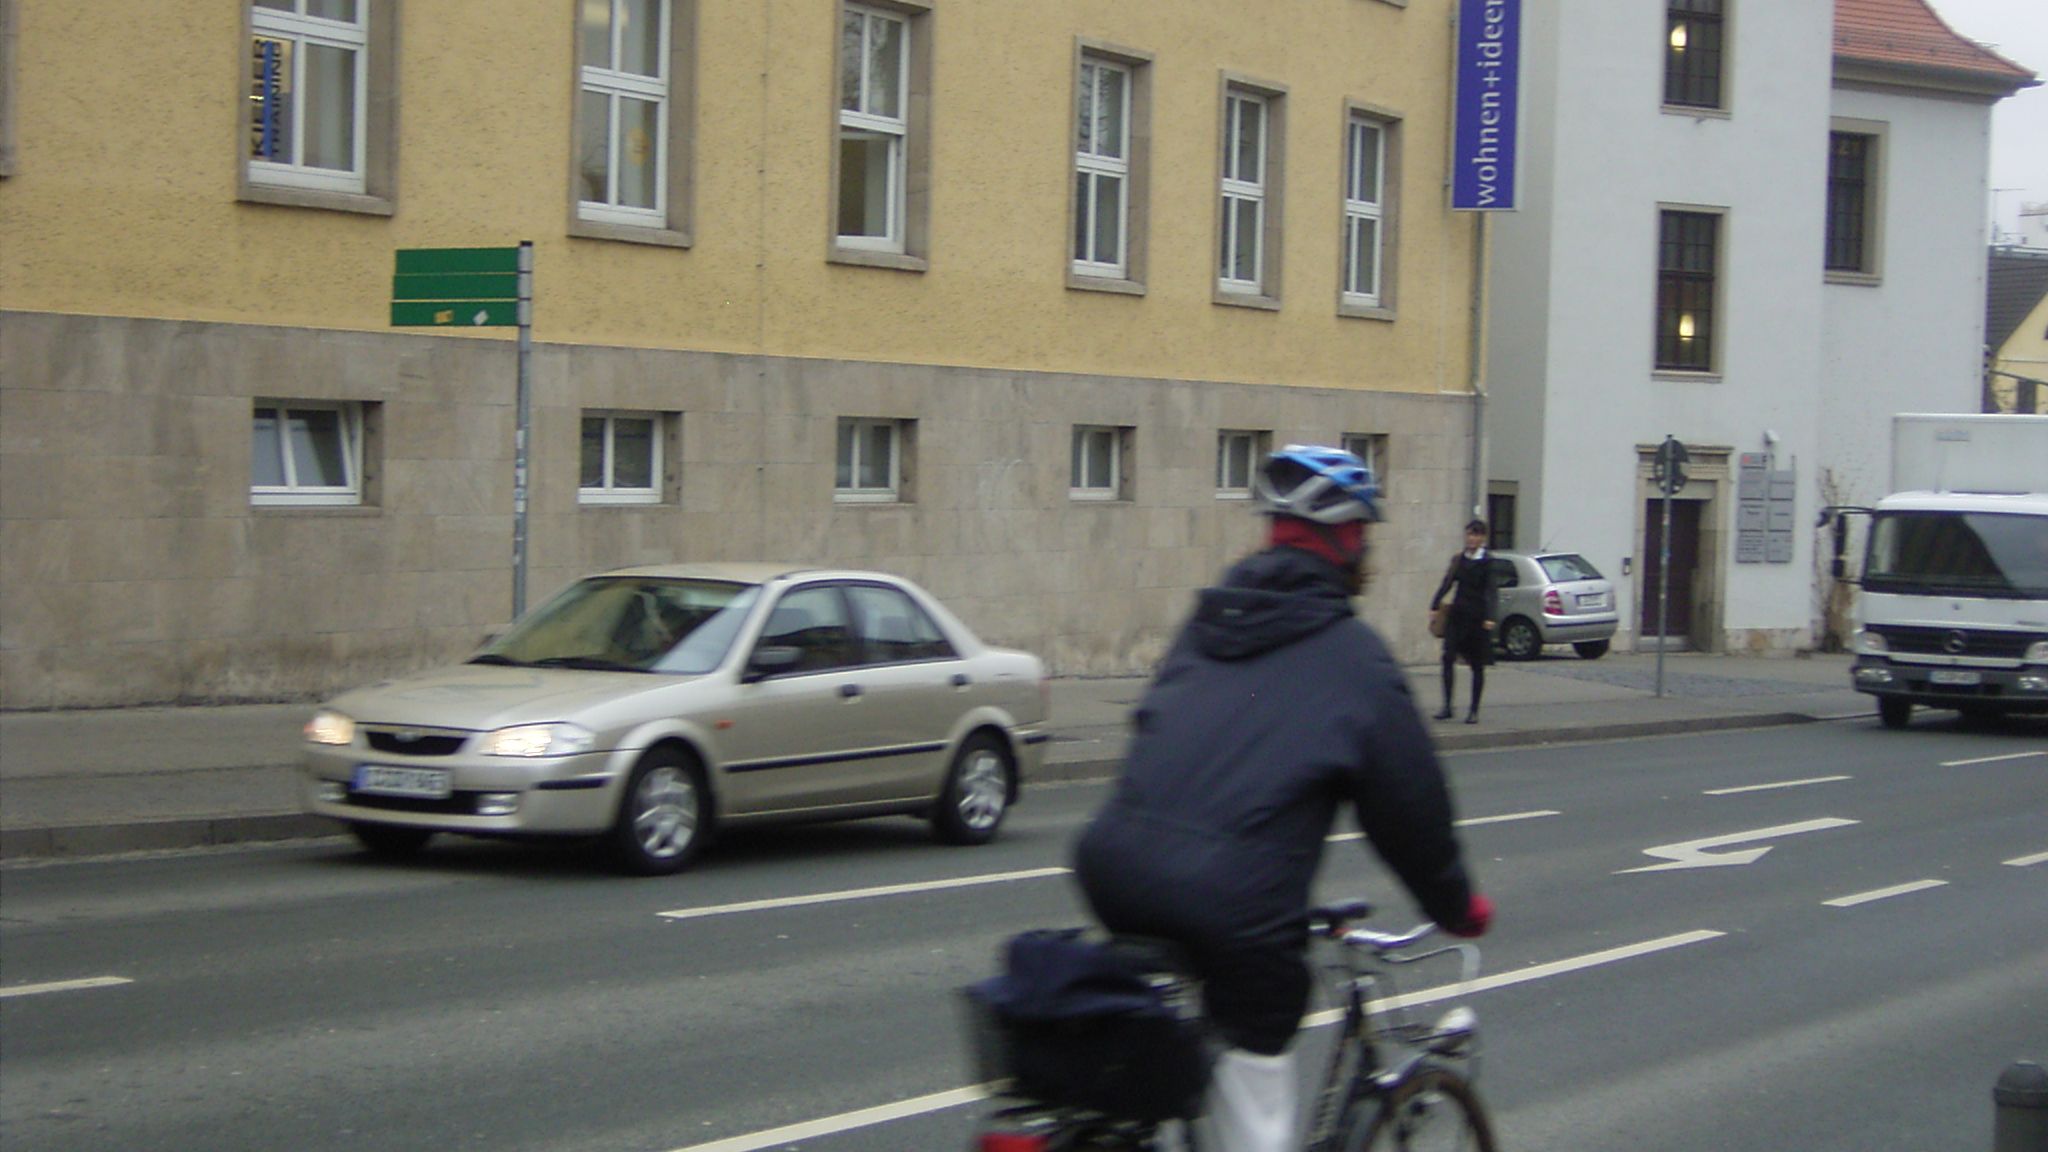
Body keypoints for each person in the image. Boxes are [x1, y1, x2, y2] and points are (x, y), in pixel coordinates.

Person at [1072, 446, 1493, 1152]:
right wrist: (1458, 905)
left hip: (1113, 865)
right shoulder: (1354, 658)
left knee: (1166, 1057)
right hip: (1233, 903)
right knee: (1261, 1022)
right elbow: (1409, 808)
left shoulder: (1207, 622)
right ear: (1350, 542)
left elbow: (1154, 727)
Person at [1428, 519, 1498, 724]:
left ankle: (1474, 710)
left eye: (1476, 535)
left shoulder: (1488, 562)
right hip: (1457, 616)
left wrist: (1490, 617)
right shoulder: (1459, 559)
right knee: (1447, 657)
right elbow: (1447, 582)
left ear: (1483, 538)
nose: (1472, 539)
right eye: (1469, 534)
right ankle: (1447, 706)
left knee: (1477, 665)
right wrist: (1434, 604)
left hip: (1477, 618)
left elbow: (1492, 591)